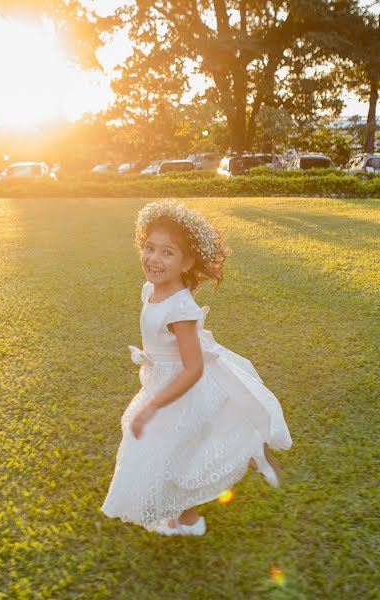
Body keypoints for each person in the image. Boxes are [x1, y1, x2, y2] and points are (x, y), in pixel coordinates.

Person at [100, 199, 292, 536]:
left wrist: (153, 405)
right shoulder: (152, 290)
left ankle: (245, 455)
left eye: (167, 253)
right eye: (149, 248)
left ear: (187, 260)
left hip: (182, 388)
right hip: (162, 380)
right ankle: (187, 519)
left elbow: (193, 369)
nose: (154, 259)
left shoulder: (181, 309)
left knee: (167, 450)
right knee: (175, 454)